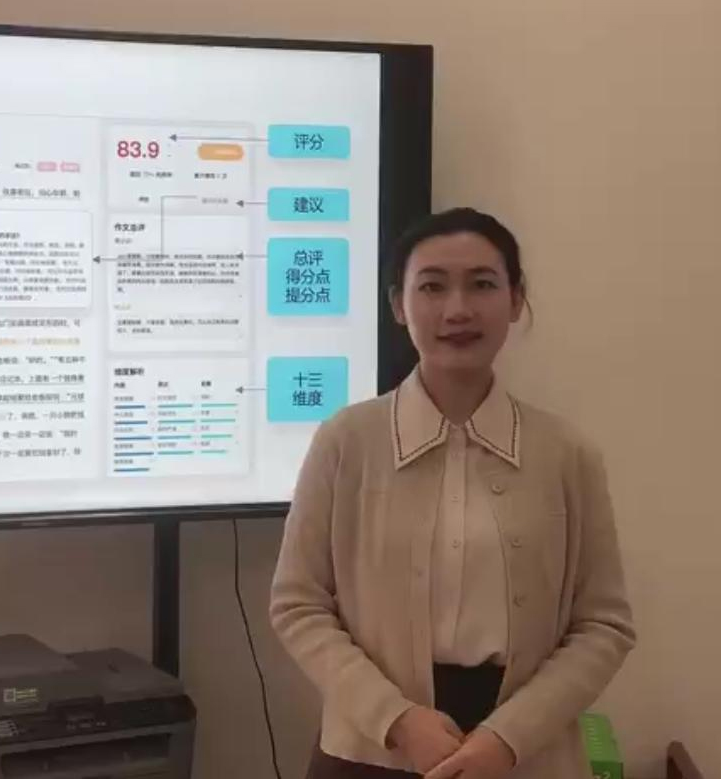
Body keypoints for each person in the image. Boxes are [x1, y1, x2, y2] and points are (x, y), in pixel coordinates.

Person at [269, 208, 636, 779]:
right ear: (399, 305)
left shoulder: (568, 453)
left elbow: (603, 624)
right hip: (371, 748)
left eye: (482, 284)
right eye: (432, 286)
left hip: (522, 753)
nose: (457, 309)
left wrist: (509, 738)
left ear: (516, 300)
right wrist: (396, 719)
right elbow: (298, 603)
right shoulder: (346, 440)